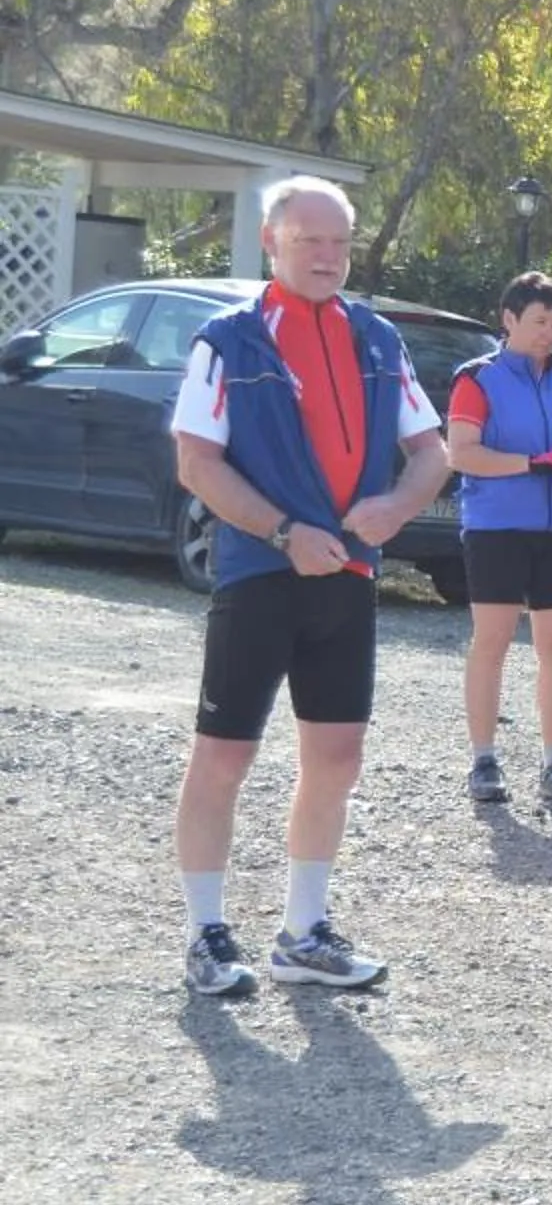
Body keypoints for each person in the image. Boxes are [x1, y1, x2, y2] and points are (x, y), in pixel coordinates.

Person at [171, 176, 452, 997]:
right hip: (261, 574)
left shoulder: (376, 338)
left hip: (347, 581)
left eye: (339, 242)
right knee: (225, 755)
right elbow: (196, 463)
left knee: (337, 755)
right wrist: (284, 533)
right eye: (309, 242)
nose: (327, 257)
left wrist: (399, 506)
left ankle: (302, 934)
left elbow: (432, 451)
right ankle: (205, 934)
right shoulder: (227, 341)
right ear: (272, 243)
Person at [445, 271, 552, 807]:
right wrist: (529, 464)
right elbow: (461, 453)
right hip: (497, 528)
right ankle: (483, 759)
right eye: (538, 322)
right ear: (508, 320)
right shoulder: (478, 380)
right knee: (493, 641)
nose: (548, 333)